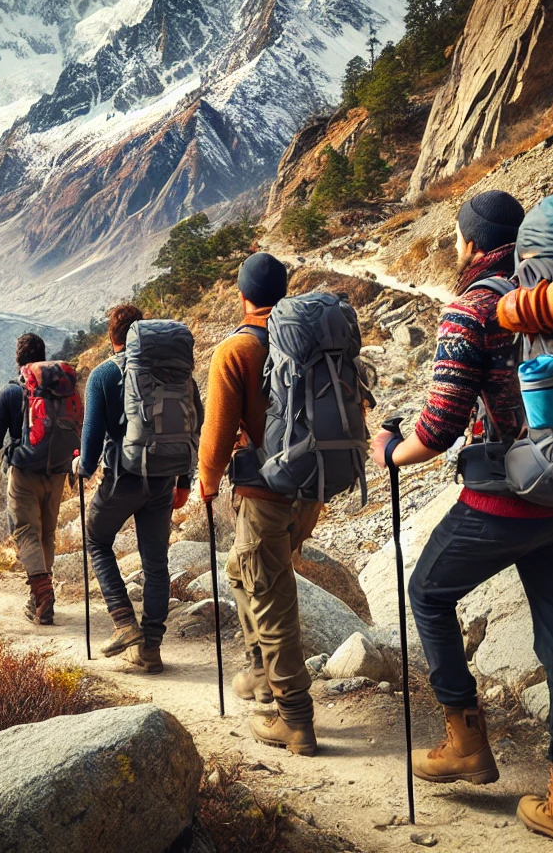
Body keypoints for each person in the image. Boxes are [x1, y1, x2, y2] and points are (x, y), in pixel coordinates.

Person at [370, 191, 553, 853]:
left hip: (505, 499)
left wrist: (392, 450)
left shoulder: (472, 304)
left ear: (472, 244)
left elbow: (439, 427)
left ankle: (465, 737)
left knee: (427, 592)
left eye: (457, 240)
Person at [197, 252, 321, 757]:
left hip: (264, 494)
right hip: (309, 490)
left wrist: (205, 482)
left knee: (271, 598)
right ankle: (261, 675)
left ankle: (295, 719)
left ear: (243, 296)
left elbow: (217, 434)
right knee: (241, 573)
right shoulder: (312, 339)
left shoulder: (237, 350)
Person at [76, 304, 201, 673]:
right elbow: (196, 425)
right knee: (156, 562)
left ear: (114, 337)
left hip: (122, 478)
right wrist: (183, 482)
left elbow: (90, 448)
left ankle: (123, 623)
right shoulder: (181, 375)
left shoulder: (102, 375)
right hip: (164, 479)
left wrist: (80, 466)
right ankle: (152, 648)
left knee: (96, 539)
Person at [0, 333, 73, 626]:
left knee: (25, 532)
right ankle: (41, 597)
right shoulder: (62, 386)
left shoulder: (12, 392)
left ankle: (42, 594)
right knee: (46, 534)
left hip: (24, 472)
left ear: (18, 358)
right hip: (59, 470)